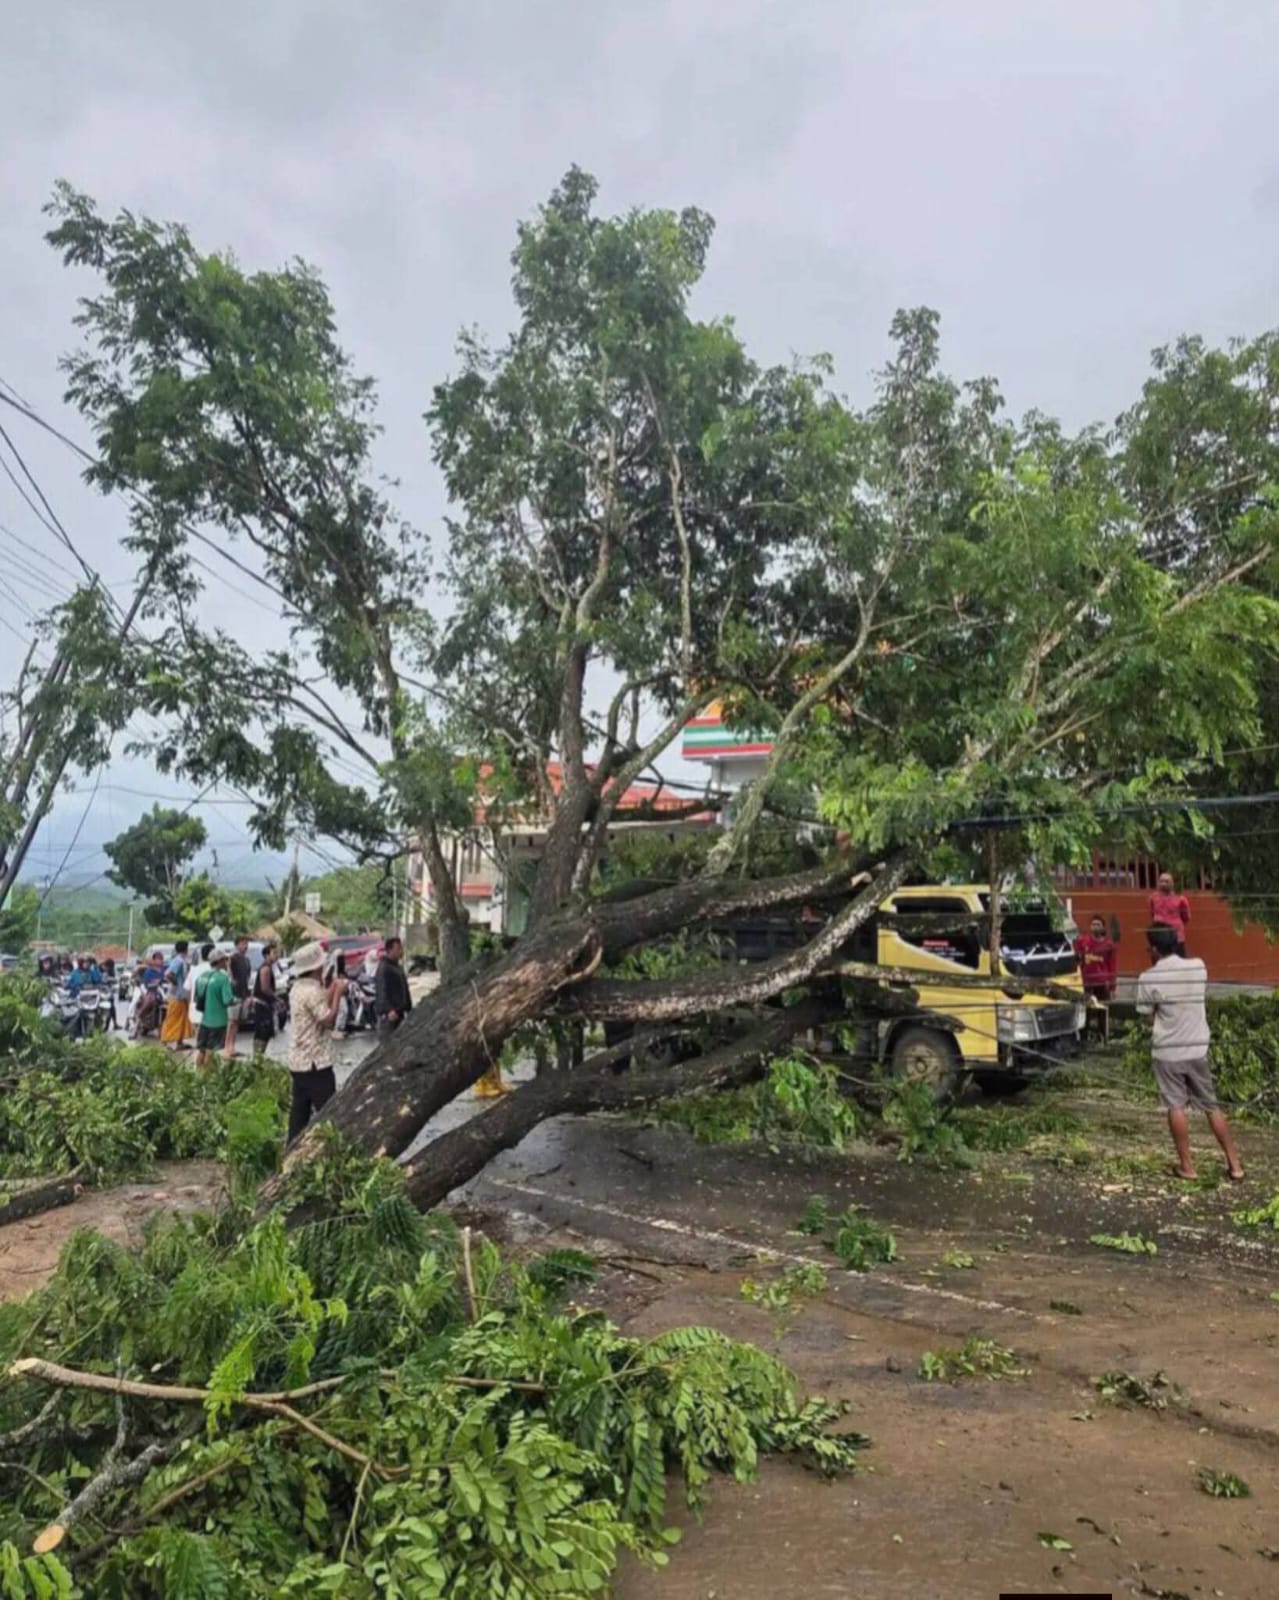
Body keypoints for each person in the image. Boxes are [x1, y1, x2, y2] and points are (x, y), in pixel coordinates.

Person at [1135, 925, 1244, 1182]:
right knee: (1211, 1106)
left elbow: (1148, 1018)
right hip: (1197, 1048)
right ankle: (1235, 1164)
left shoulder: (1148, 978)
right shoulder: (1198, 966)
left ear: (1153, 949)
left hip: (1168, 1052)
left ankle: (1187, 1167)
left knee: (1176, 1106)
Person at [287, 941, 346, 1143]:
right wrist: (337, 994)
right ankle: (328, 1150)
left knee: (299, 1115)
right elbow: (328, 1021)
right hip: (315, 1062)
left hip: (298, 1061)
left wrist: (331, 989)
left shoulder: (297, 989)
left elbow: (319, 1004)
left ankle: (291, 1150)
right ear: (316, 967)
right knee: (328, 1114)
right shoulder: (311, 991)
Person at [194, 949, 236, 1069]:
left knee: (202, 1051)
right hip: (218, 1022)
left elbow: (197, 998)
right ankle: (208, 1079)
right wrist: (237, 1001)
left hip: (204, 1021)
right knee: (211, 1052)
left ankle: (198, 1075)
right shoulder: (222, 979)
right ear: (220, 961)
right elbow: (227, 1000)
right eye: (225, 960)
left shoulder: (202, 977)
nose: (226, 962)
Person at [374, 936, 412, 1035]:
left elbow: (404, 988)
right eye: (398, 948)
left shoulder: (397, 967)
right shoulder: (384, 968)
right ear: (390, 950)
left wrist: (408, 1006)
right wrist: (388, 1009)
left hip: (399, 1012)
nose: (400, 951)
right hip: (389, 1015)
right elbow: (381, 990)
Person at [1074, 915, 1117, 1001]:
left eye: (1098, 924)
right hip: (1087, 982)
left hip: (1102, 983)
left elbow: (1112, 966)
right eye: (1093, 924)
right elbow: (1076, 956)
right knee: (1087, 1008)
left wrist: (1112, 987)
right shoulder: (1083, 941)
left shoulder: (1109, 945)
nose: (1095, 927)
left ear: (1103, 928)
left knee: (1102, 1008)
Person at [1148, 871, 1191, 957]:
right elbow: (1152, 914)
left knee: (1179, 964)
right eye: (1161, 881)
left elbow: (1186, 918)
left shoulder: (1181, 899)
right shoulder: (1153, 898)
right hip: (1158, 939)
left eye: (1166, 881)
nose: (1163, 884)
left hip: (1177, 938)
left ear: (1172, 884)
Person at [160, 940, 193, 1050]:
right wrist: (176, 984)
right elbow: (168, 974)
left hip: (181, 995)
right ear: (186, 949)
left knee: (182, 1019)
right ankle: (166, 1040)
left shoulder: (182, 961)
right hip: (176, 995)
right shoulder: (178, 961)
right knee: (173, 1018)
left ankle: (179, 1042)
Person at [224, 935, 252, 1060]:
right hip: (234, 994)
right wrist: (231, 979)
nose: (245, 946)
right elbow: (227, 970)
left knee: (237, 1023)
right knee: (232, 1022)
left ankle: (232, 1046)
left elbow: (247, 977)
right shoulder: (233, 958)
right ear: (237, 945)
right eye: (242, 944)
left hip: (243, 994)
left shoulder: (246, 960)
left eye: (246, 944)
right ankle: (227, 1047)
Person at [250, 940, 278, 1059]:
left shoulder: (268, 967)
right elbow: (265, 988)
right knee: (263, 1032)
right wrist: (276, 998)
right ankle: (258, 1058)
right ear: (267, 955)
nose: (277, 955)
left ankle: (258, 1058)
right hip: (262, 1005)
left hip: (263, 1004)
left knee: (262, 1032)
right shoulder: (265, 968)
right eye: (274, 953)